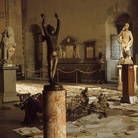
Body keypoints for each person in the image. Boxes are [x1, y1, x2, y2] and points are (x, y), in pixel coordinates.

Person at [41, 13, 60, 85]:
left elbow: (58, 27)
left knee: (54, 67)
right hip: (51, 53)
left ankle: (53, 80)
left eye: (53, 28)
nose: (53, 29)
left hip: (57, 53)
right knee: (50, 67)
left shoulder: (55, 36)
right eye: (51, 28)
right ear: (49, 30)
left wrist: (58, 19)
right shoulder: (48, 36)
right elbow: (43, 26)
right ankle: (51, 80)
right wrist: (44, 19)